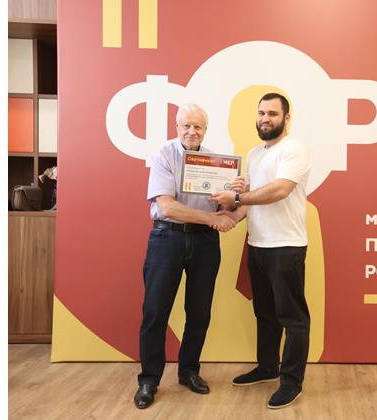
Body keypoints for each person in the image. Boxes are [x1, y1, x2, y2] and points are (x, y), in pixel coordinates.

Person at [212, 92, 312, 409]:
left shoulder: (294, 149)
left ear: (286, 118)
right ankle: (268, 367)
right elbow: (251, 202)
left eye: (272, 113)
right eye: (261, 113)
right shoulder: (254, 154)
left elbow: (280, 190)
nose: (265, 119)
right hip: (257, 245)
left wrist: (237, 199)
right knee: (265, 313)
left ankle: (291, 382)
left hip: (286, 247)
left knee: (293, 318)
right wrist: (229, 218)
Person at [134, 104, 236, 409]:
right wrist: (212, 219)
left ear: (206, 130)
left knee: (199, 310)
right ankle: (149, 379)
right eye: (186, 126)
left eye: (198, 127)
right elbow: (166, 206)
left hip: (205, 242)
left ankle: (189, 371)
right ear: (176, 126)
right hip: (167, 237)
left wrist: (236, 195)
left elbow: (226, 210)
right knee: (155, 311)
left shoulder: (217, 163)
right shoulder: (164, 155)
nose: (192, 131)